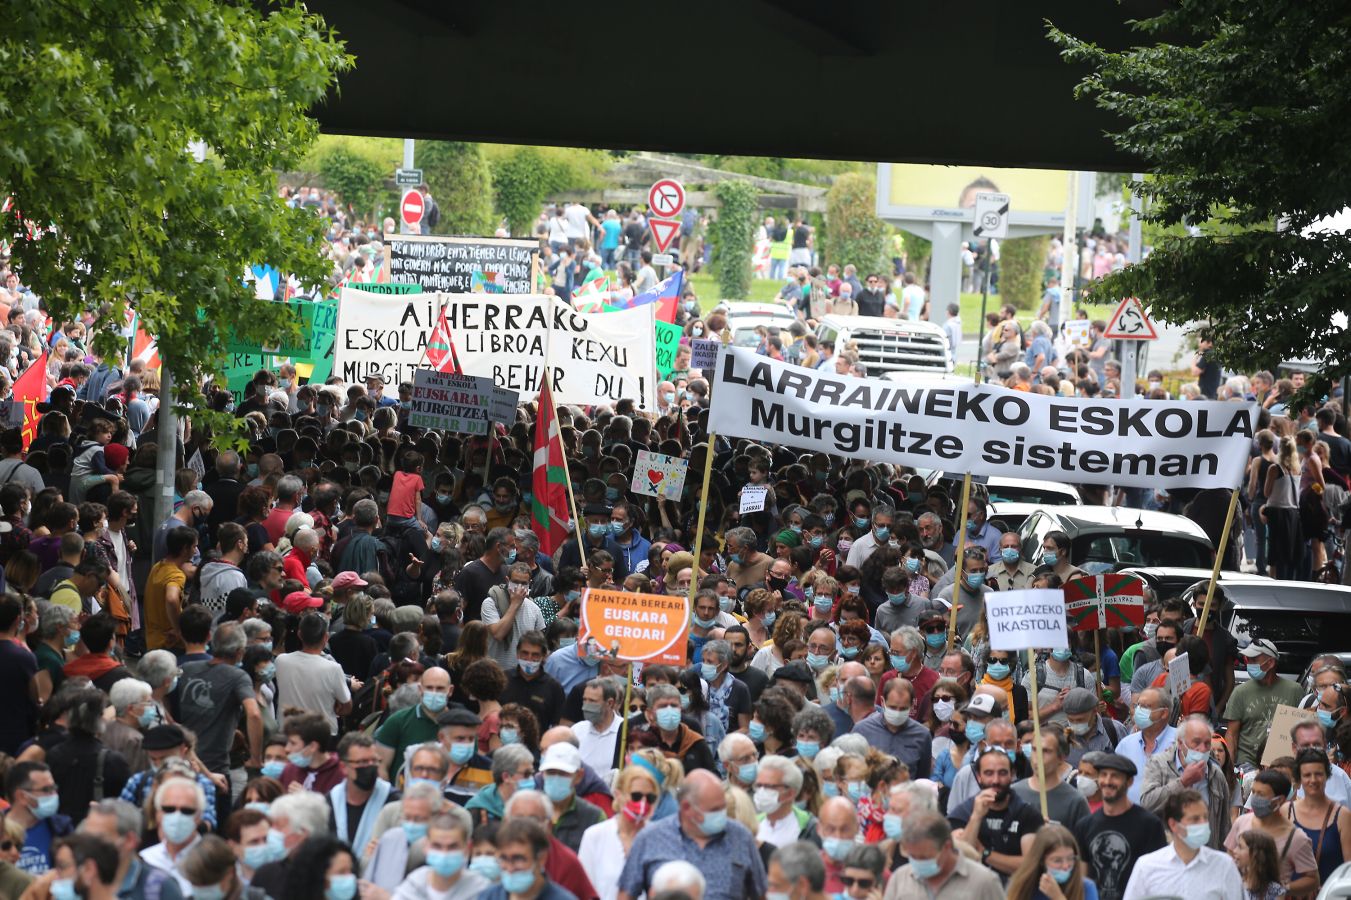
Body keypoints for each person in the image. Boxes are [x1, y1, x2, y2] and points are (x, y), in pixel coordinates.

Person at [615, 769, 766, 900]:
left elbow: (761, 894)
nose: (721, 815)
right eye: (714, 810)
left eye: (723, 808)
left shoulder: (740, 837)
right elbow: (626, 894)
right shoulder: (650, 838)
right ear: (686, 807)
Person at [1071, 752, 1166, 900]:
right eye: (1103, 775)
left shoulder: (1150, 825)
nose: (1107, 781)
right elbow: (1081, 879)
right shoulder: (1085, 826)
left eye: (1114, 776)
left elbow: (1158, 876)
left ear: (1129, 782)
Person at [1122, 789, 1243, 900]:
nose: (1203, 823)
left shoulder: (1224, 866)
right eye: (1195, 819)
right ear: (1173, 824)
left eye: (1205, 817)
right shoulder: (1147, 866)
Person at [948, 747, 1043, 881]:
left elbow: (1030, 866)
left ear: (1012, 774)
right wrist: (976, 817)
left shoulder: (1027, 813)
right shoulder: (963, 812)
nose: (995, 780)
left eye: (1003, 773)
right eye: (988, 773)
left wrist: (985, 853)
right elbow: (960, 860)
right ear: (979, 777)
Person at [1223, 768, 1319, 897]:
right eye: (1253, 792)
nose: (1255, 798)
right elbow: (1229, 857)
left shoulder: (1296, 838)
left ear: (1279, 800)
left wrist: (1282, 888)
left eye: (1261, 794)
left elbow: (1312, 879)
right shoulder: (1241, 822)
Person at [1140, 714, 1231, 848]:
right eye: (1196, 742)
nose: (1202, 749)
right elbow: (1147, 804)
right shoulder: (1158, 764)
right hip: (1167, 857)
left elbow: (1224, 826)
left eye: (1207, 743)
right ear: (1181, 743)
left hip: (1205, 857)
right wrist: (1182, 782)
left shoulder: (1216, 774)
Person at [576, 763, 660, 900]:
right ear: (618, 795)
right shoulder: (595, 836)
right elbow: (583, 890)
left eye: (650, 798)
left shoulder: (660, 837)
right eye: (636, 796)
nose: (643, 802)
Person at [883, 810, 1003, 900]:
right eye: (912, 857)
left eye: (925, 857)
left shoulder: (984, 881)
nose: (918, 863)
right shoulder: (900, 878)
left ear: (947, 846)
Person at [1224, 639, 1304, 768]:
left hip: (1283, 764)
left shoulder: (1295, 690)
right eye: (1247, 660)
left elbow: (1304, 731)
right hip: (1247, 763)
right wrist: (1229, 770)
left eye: (1254, 660)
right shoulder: (1240, 692)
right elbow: (1231, 734)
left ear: (1271, 662)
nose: (1249, 664)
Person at [392, 809, 489, 900]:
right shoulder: (414, 884)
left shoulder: (482, 890)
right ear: (426, 846)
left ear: (467, 848)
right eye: (437, 846)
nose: (444, 853)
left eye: (452, 847)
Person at [1005, 823, 1100, 900]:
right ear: (1041, 861)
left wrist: (1058, 897)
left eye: (1070, 858)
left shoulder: (1086, 887)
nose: (1066, 866)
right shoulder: (1023, 887)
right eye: (1057, 861)